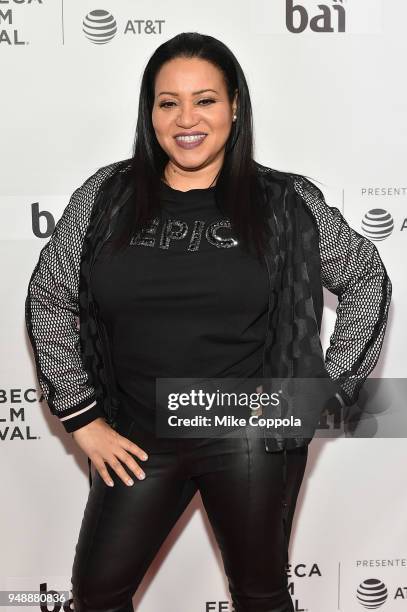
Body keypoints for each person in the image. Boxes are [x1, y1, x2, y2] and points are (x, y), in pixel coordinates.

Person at [24, 32, 392, 612]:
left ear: (235, 106)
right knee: (96, 596)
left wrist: (321, 389)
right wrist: (83, 418)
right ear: (150, 114)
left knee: (260, 597)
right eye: (168, 102)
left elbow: (366, 278)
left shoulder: (284, 202)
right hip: (137, 438)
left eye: (205, 100)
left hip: (249, 436)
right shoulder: (106, 195)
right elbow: (49, 298)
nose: (186, 118)